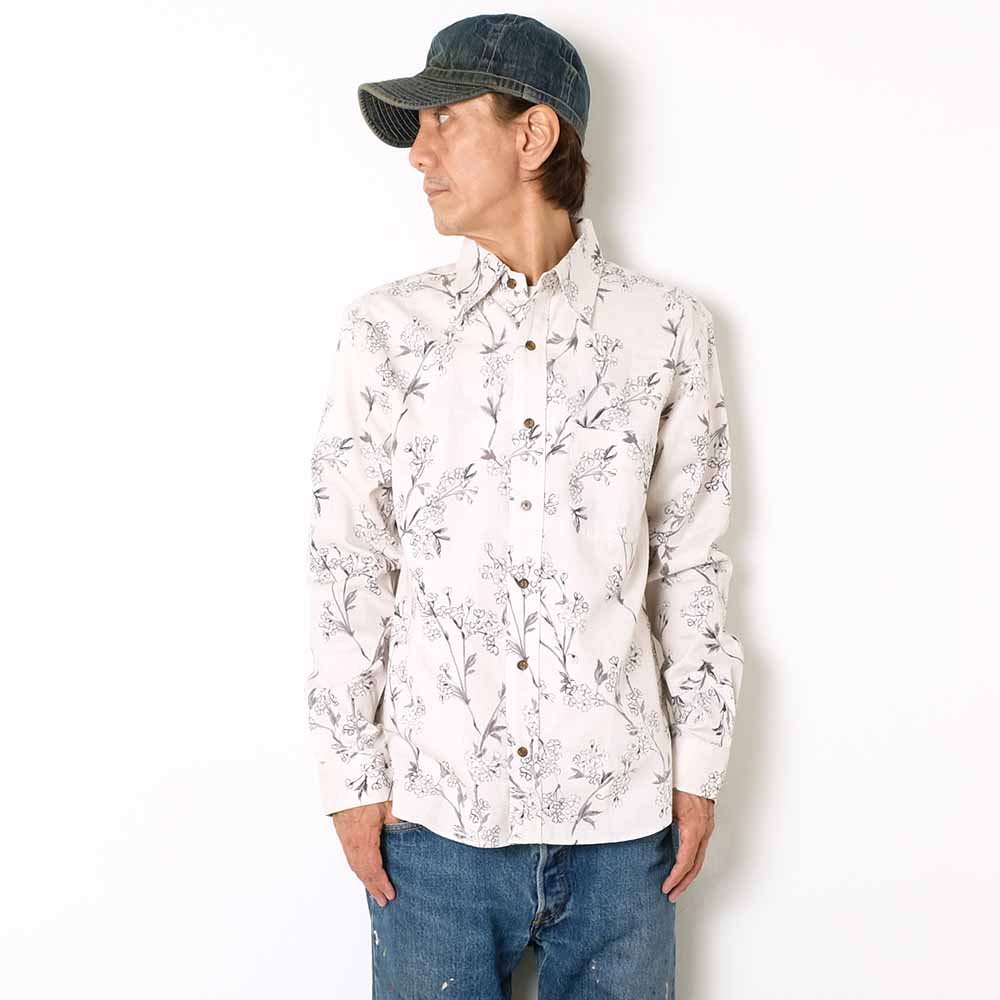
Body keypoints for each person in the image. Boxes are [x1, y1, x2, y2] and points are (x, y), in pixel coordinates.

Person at [305, 13, 744, 999]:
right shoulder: (386, 333)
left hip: (624, 829)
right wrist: (349, 781)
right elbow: (348, 563)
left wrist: (700, 767)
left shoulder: (668, 332)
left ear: (533, 135)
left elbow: (692, 561)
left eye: (445, 120)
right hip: (434, 830)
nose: (418, 154)